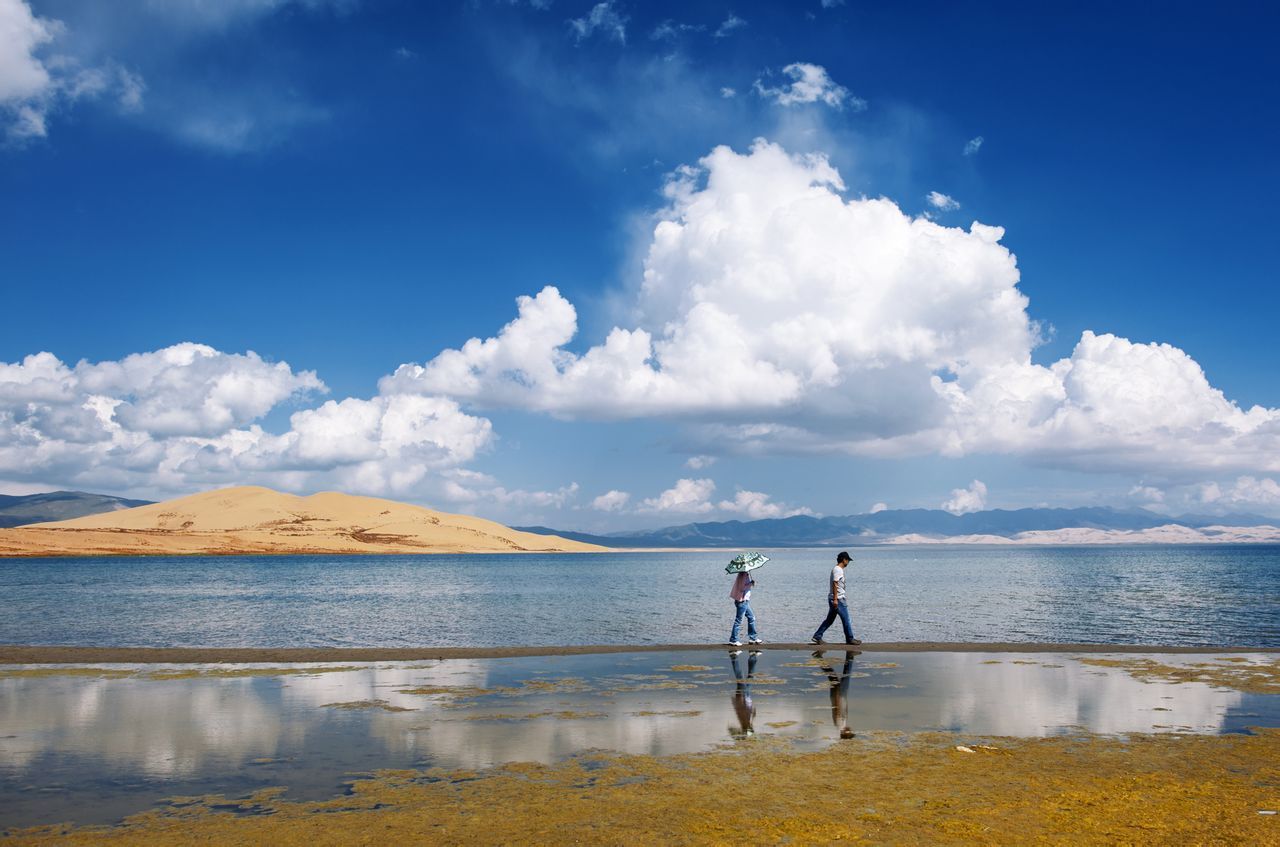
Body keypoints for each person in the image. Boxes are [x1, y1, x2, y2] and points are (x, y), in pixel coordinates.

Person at [810, 551, 862, 646]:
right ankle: (850, 639)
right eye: (848, 560)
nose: (848, 562)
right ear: (844, 560)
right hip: (838, 599)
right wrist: (835, 599)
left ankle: (817, 636)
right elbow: (835, 583)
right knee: (846, 619)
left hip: (835, 598)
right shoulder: (838, 569)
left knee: (829, 620)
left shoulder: (837, 569)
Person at [814, 650, 856, 739]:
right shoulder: (841, 725)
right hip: (841, 695)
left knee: (841, 675)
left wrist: (837, 695)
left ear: (845, 733)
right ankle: (818, 658)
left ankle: (850, 656)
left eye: (850, 732)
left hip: (839, 695)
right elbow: (843, 710)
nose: (851, 730)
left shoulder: (839, 725)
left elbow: (837, 709)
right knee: (836, 676)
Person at [728, 647, 759, 738]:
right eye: (751, 728)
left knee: (742, 676)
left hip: (744, 696)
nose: (751, 727)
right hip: (747, 696)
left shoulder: (744, 719)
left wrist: (741, 696)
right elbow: (752, 712)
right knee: (749, 676)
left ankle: (735, 657)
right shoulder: (747, 721)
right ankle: (752, 657)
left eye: (750, 728)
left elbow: (741, 707)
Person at [727, 569, 762, 647]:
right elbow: (741, 588)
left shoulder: (744, 574)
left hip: (744, 601)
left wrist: (751, 583)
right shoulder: (743, 575)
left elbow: (744, 586)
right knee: (738, 621)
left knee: (751, 617)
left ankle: (753, 638)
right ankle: (733, 640)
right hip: (742, 601)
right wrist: (750, 584)